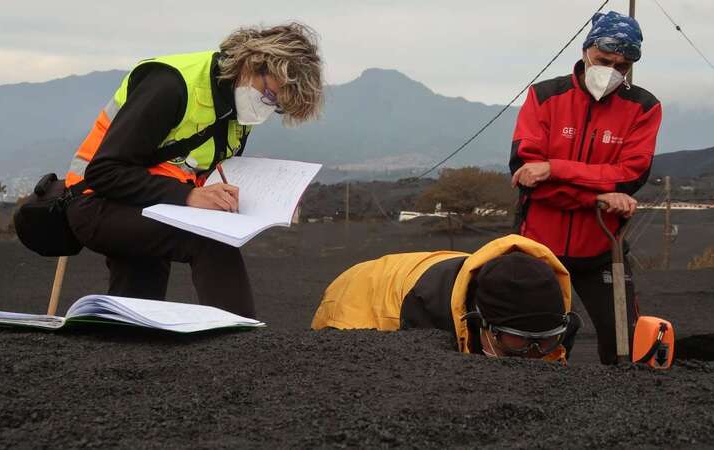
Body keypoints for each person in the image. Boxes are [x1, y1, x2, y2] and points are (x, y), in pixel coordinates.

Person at [63, 23, 324, 318]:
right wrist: (189, 196)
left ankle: (124, 350)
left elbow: (202, 172)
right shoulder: (171, 85)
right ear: (253, 64)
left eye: (276, 106)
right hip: (94, 201)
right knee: (211, 240)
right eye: (269, 95)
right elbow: (104, 172)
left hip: (149, 203)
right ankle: (240, 346)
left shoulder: (236, 110)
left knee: (136, 312)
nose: (267, 108)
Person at [509, 11, 662, 364]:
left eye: (622, 66)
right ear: (585, 50)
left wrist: (554, 169)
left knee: (623, 343)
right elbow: (525, 175)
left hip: (602, 249)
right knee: (532, 341)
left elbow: (628, 177)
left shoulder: (643, 107)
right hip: (538, 248)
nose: (611, 70)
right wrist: (598, 196)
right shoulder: (545, 95)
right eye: (604, 60)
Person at [312, 235, 580, 363]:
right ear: (479, 322)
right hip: (358, 295)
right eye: (516, 342)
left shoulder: (547, 302)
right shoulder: (423, 312)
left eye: (545, 341)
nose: (531, 355)